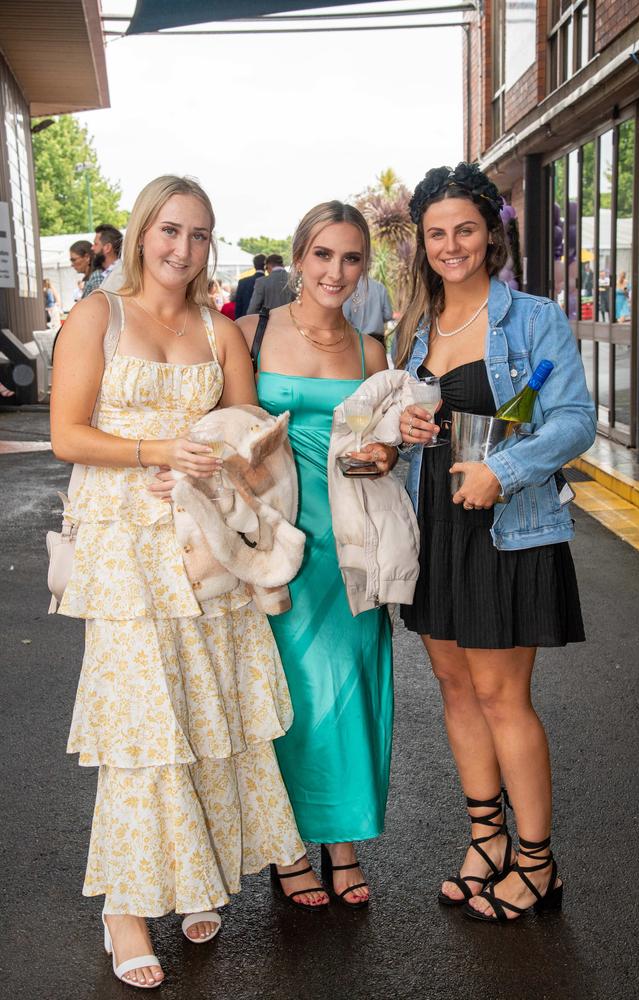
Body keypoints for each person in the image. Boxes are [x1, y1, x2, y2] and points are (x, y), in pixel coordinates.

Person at [50, 175, 305, 988]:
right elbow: (65, 434)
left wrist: (222, 470)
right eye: (169, 230)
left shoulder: (220, 331)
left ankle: (191, 875)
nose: (182, 249)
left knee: (205, 703)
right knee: (141, 718)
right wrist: (155, 454)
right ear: (139, 232)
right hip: (123, 539)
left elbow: (250, 444)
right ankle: (124, 905)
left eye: (199, 236)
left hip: (201, 543)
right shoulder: (98, 316)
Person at [395, 162, 596, 923]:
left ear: (491, 234)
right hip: (435, 527)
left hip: (508, 530)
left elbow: (574, 420)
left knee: (501, 695)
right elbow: (402, 417)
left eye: (465, 230)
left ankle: (537, 862)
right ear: (423, 242)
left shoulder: (533, 318)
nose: (452, 246)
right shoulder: (417, 327)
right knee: (454, 689)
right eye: (437, 233)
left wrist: (504, 470)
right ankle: (488, 839)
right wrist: (404, 427)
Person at [237, 202, 397, 909]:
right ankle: (291, 846)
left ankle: (344, 842)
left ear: (364, 267)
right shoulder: (249, 333)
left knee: (350, 690)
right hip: (275, 542)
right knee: (293, 692)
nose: (337, 271)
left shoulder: (371, 353)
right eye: (324, 255)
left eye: (352, 258)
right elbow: (220, 432)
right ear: (298, 257)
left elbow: (381, 444)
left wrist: (387, 452)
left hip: (351, 542)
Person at [343, 275, 393, 343]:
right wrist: (377, 319)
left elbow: (345, 316)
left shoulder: (349, 289)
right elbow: (388, 315)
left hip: (357, 338)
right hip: (377, 339)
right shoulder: (380, 287)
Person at [84, 224, 123, 297]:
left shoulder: (118, 274)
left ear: (107, 247)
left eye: (96, 244)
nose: (92, 248)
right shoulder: (120, 271)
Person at [235, 253, 266, 318]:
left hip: (245, 319)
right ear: (265, 266)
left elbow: (238, 305)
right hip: (264, 320)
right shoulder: (269, 282)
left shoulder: (242, 282)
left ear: (254, 265)